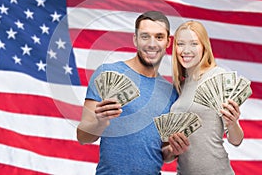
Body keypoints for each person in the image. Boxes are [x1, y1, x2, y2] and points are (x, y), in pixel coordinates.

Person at [76, 11, 185, 174]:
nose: (152, 44)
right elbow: (82, 137)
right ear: (135, 39)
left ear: (168, 42)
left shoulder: (171, 93)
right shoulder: (107, 73)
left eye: (159, 37)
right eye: (145, 36)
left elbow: (163, 153)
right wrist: (100, 123)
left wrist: (174, 150)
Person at [165, 20, 244, 174]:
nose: (186, 50)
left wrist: (233, 123)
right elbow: (169, 156)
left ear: (204, 47)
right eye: (181, 44)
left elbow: (236, 140)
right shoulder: (179, 87)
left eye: (193, 44)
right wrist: (173, 148)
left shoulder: (218, 77)